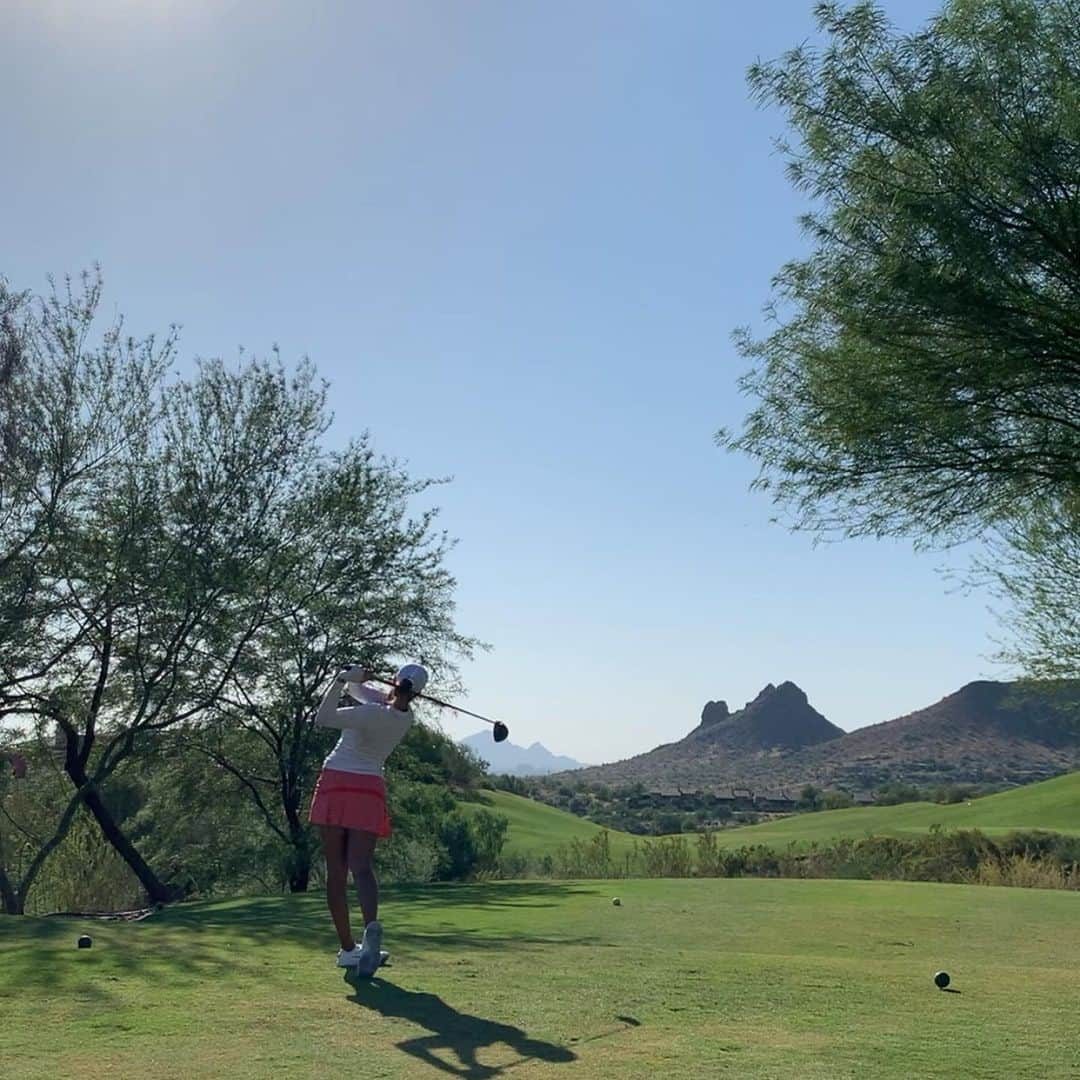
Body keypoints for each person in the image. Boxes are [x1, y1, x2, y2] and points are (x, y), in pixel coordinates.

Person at [309, 662, 427, 975]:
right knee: (361, 867)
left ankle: (348, 949)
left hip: (336, 781)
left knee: (336, 869)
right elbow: (361, 692)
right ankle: (371, 927)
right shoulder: (404, 718)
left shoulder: (372, 713)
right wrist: (356, 677)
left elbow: (323, 717)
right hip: (369, 788)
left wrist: (338, 680)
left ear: (395, 681)